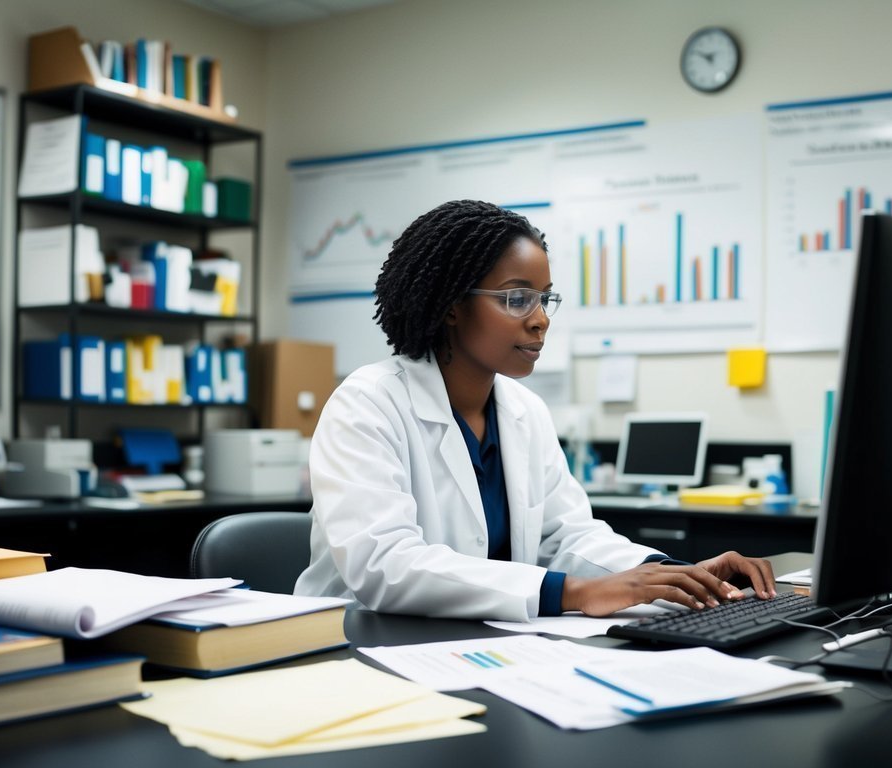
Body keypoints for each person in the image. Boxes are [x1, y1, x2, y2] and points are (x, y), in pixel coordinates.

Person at [294, 200, 776, 621]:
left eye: (545, 299)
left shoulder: (524, 412)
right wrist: (575, 592)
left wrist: (674, 575)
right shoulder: (369, 404)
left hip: (481, 647)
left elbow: (567, 537)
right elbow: (385, 566)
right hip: (361, 647)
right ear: (450, 307)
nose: (541, 319)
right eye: (517, 298)